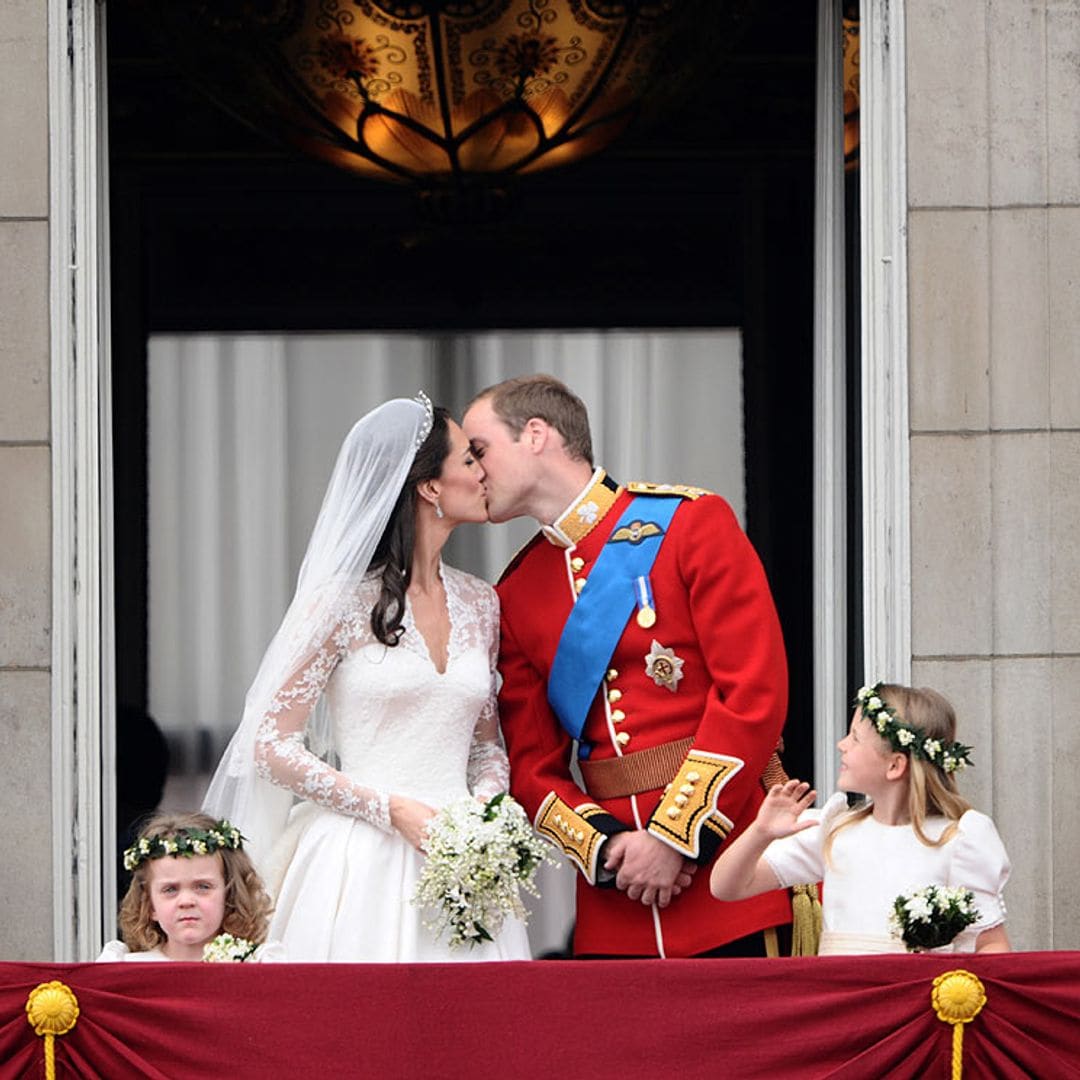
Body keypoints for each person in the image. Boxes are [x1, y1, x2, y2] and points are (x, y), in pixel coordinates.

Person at [462, 374, 792, 958]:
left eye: (480, 449)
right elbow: (532, 766)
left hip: (728, 875)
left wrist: (674, 838)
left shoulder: (691, 524)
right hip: (618, 903)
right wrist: (609, 849)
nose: (472, 470)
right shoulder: (515, 591)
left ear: (535, 435)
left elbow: (753, 695)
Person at [202, 394, 530, 962]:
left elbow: (485, 747)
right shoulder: (339, 603)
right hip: (360, 859)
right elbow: (270, 743)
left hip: (463, 864)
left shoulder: (482, 603)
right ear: (430, 486)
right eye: (469, 460)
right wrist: (389, 808)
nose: (483, 473)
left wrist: (485, 813)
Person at [709, 682, 1011, 954]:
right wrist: (760, 833)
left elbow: (991, 944)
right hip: (843, 1004)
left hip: (918, 1008)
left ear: (895, 766)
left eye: (854, 738)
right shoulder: (834, 831)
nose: (841, 744)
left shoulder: (956, 840)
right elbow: (727, 887)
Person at [98, 811, 285, 962]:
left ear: (229, 895)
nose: (186, 901)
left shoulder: (258, 964)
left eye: (203, 887)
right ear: (149, 905)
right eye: (170, 889)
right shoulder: (126, 967)